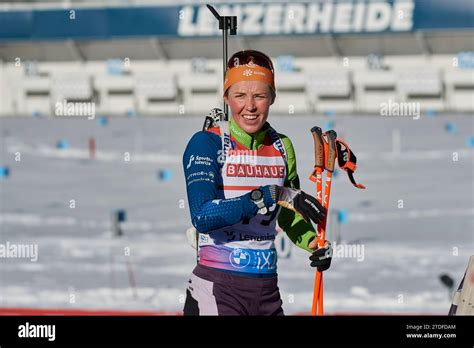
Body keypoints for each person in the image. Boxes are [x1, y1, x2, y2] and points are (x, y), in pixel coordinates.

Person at [182, 50, 332, 315]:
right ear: (226, 97)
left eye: (260, 96)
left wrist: (312, 242)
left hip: (266, 293)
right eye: (239, 95)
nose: (249, 106)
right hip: (218, 290)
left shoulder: (281, 146)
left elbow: (287, 213)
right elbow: (202, 216)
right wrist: (268, 194)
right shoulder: (206, 142)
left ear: (272, 98)